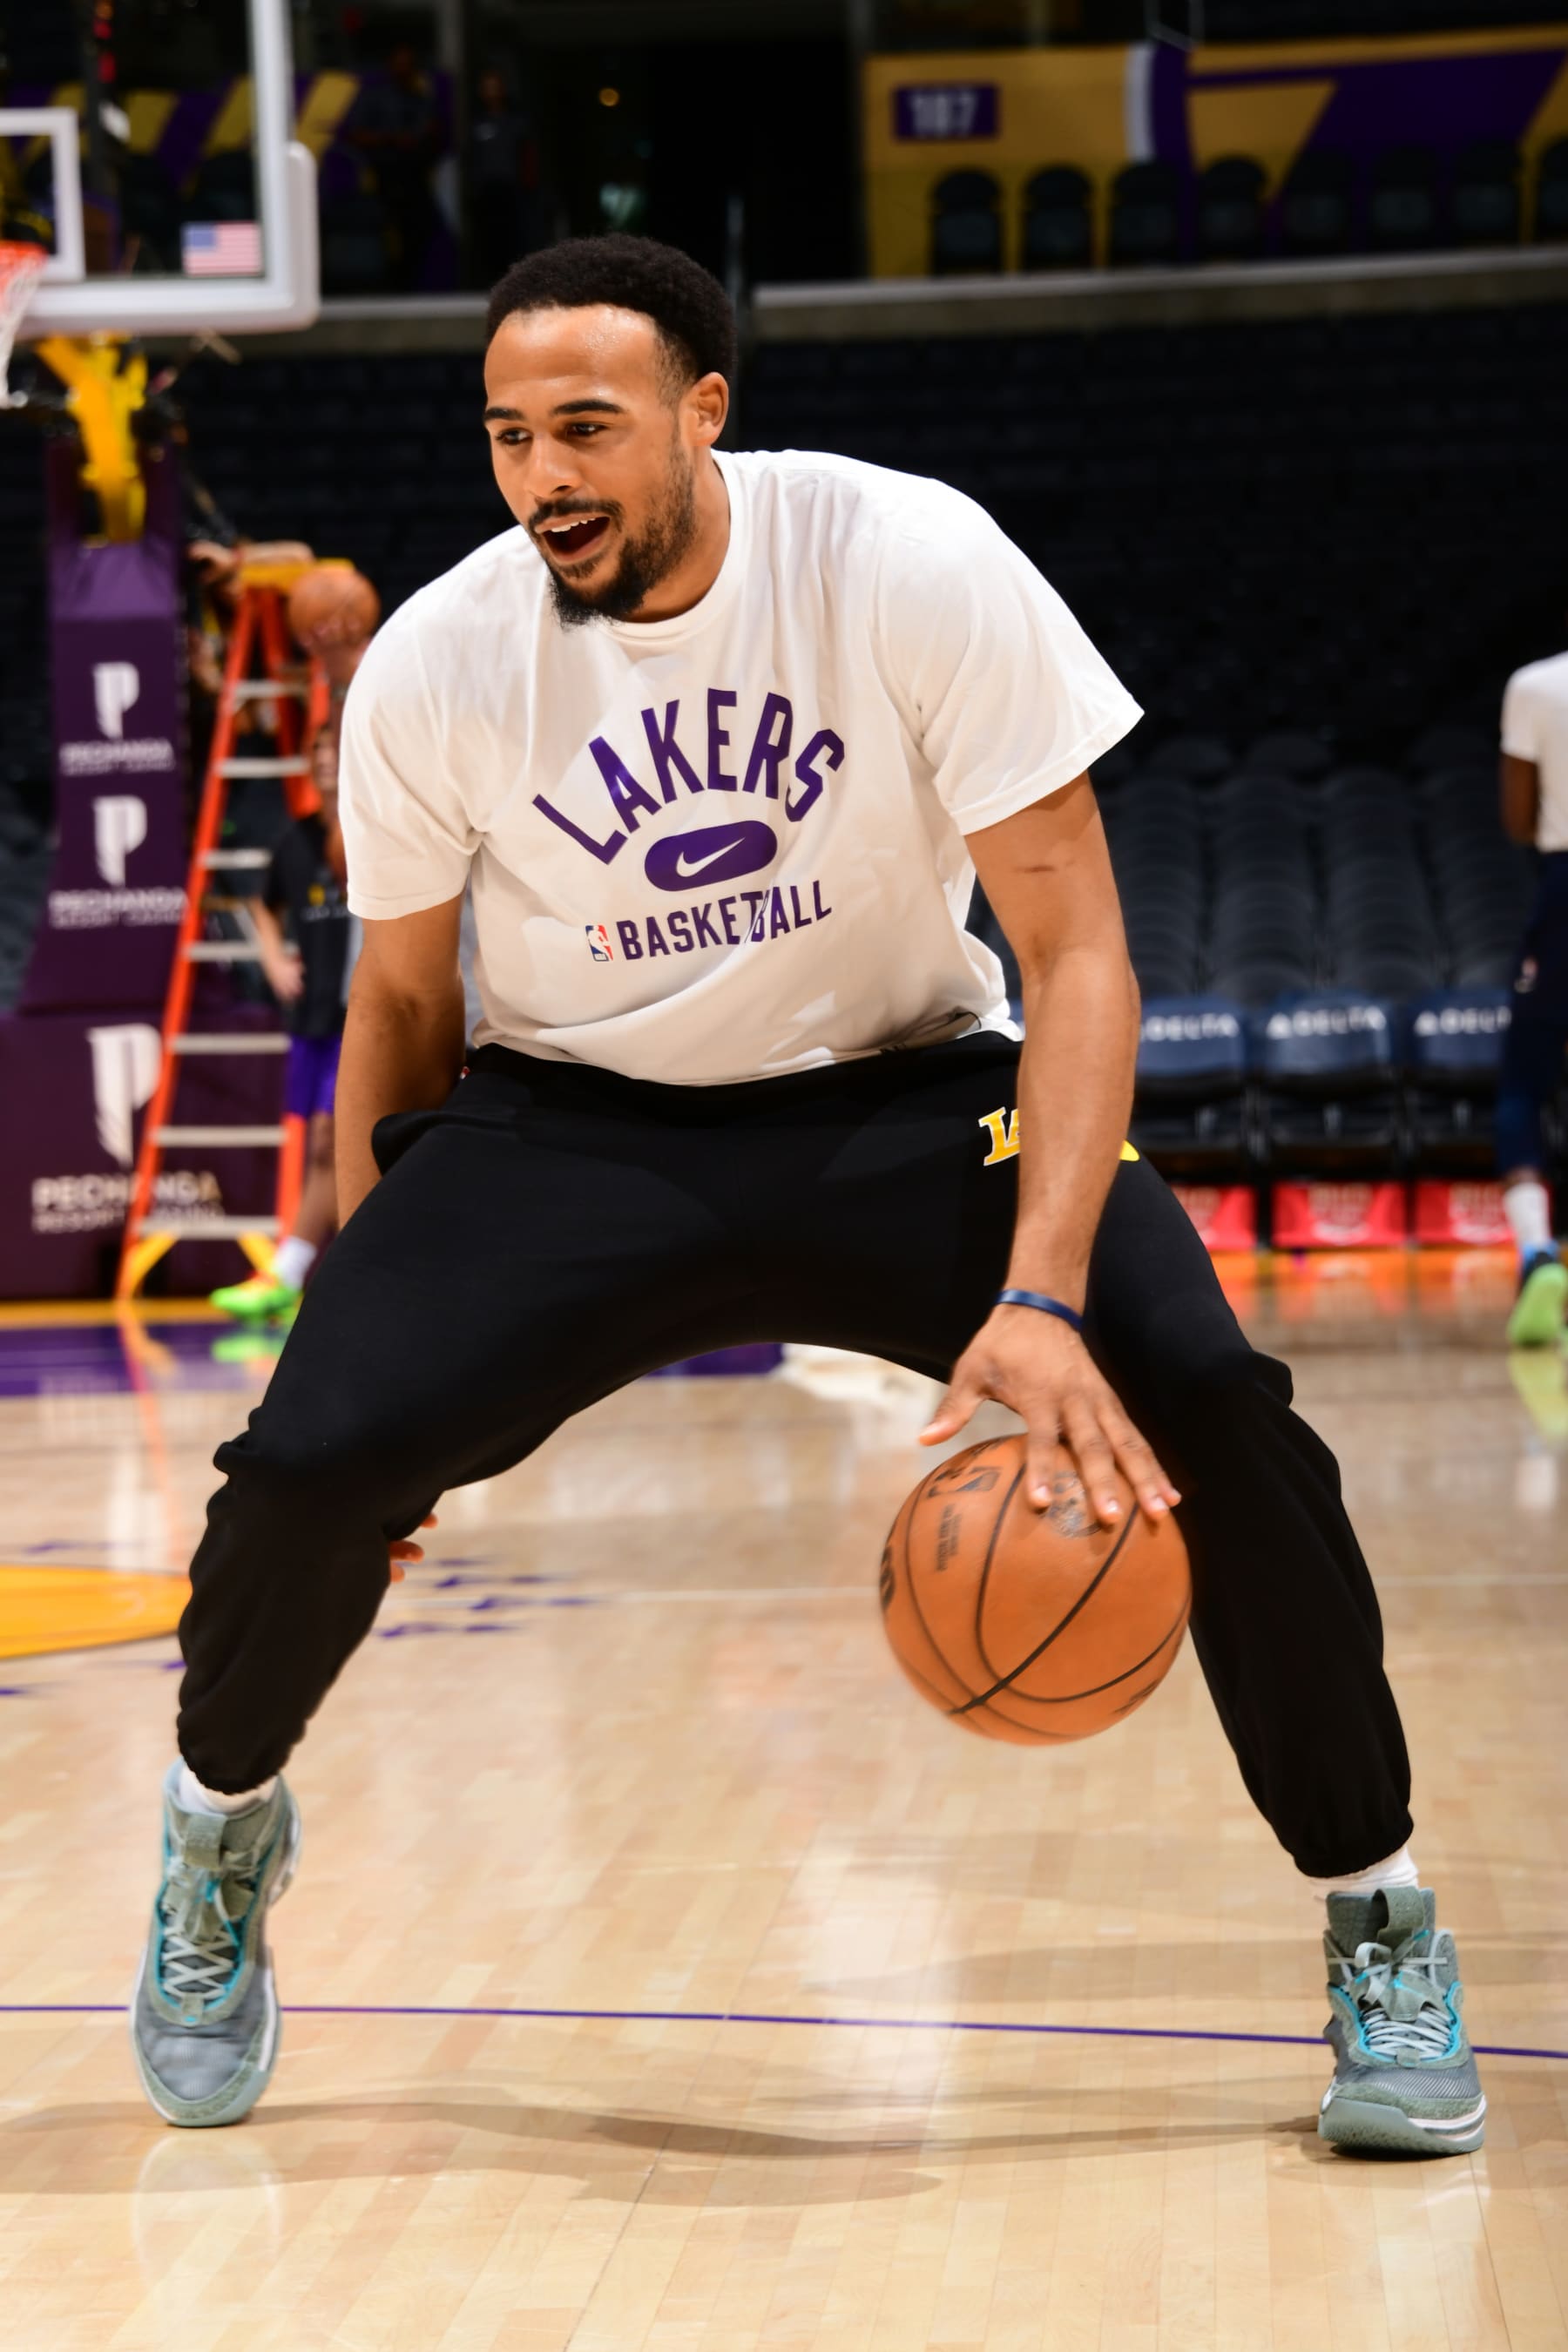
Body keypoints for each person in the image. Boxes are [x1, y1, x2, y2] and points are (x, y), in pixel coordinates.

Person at [129, 236, 1485, 2159]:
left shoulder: (904, 562)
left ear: (706, 412)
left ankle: (1379, 1917)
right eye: (510, 435)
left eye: (587, 427)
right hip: (570, 1125)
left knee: (1219, 1418)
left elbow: (1080, 958)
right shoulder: (442, 655)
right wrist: (383, 1369)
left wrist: (1043, 1300)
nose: (543, 478)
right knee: (306, 1464)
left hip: (912, 1103)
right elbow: (410, 1008)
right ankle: (218, 1831)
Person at [208, 732, 354, 1321]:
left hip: (357, 1014)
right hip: (313, 1014)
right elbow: (261, 905)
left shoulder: (377, 831)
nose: (325, 766)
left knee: (330, 1141)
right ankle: (315, 1272)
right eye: (316, 757)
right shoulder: (296, 843)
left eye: (335, 756)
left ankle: (295, 1270)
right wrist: (273, 956)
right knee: (327, 1146)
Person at [1498, 633, 1568, 1347]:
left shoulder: (1537, 684)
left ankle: (1537, 1252)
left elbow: (1518, 819)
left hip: (1565, 887)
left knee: (1525, 1079)